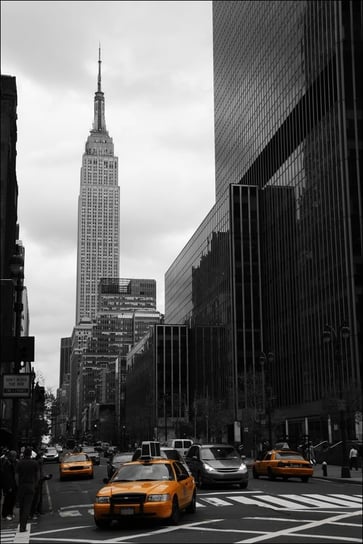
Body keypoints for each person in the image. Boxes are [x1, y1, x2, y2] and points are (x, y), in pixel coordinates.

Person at [15, 446, 40, 532]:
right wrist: (35, 485)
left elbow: (17, 476)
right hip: (30, 486)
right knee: (27, 507)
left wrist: (18, 485)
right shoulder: (34, 463)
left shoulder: (19, 463)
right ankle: (23, 526)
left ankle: (21, 524)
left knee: (22, 506)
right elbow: (37, 476)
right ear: (30, 454)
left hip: (22, 486)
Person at [1, 449, 18, 521]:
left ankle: (10, 513)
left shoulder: (12, 463)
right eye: (14, 456)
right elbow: (6, 476)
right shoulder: (6, 464)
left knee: (12, 499)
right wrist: (9, 486)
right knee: (8, 500)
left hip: (13, 484)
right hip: (9, 485)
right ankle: (5, 514)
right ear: (11, 456)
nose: (15, 457)